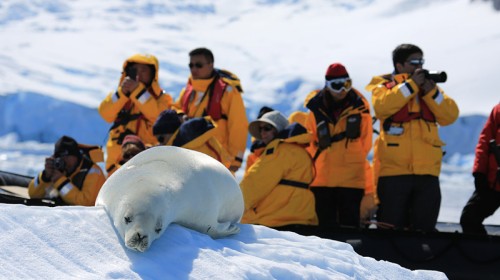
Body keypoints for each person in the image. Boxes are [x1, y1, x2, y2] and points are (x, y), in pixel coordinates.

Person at [365, 43, 459, 231]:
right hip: (394, 172)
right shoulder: (384, 85)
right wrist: (411, 85)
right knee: (390, 227)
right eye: (414, 62)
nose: (419, 66)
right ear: (399, 66)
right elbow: (382, 107)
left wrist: (430, 92)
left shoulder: (430, 88)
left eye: (421, 61)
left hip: (427, 172)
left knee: (424, 228)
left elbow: (450, 115)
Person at [172, 47, 248, 173]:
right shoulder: (188, 90)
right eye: (191, 65)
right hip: (187, 159)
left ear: (211, 65)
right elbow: (175, 110)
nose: (194, 69)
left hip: (217, 159)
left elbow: (238, 125)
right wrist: (180, 116)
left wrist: (236, 159)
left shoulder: (228, 91)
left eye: (199, 65)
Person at [240, 111, 318, 227]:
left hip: (276, 219)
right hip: (301, 218)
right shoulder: (299, 150)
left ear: (278, 130)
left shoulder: (279, 151)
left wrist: (230, 207)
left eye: (267, 128)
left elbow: (256, 183)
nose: (263, 133)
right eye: (260, 129)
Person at [98, 53, 172, 174]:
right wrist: (123, 93)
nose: (139, 73)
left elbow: (157, 116)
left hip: (148, 162)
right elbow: (105, 113)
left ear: (153, 74)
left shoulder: (163, 98)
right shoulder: (120, 94)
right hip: (116, 165)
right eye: (135, 69)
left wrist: (137, 92)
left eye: (144, 70)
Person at [28, 135, 106, 206]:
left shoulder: (93, 172)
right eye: (59, 157)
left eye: (66, 156)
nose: (63, 160)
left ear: (75, 156)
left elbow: (86, 203)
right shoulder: (57, 169)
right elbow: (32, 194)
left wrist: (60, 182)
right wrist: (45, 176)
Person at [460, 103, 500, 235]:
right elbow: (484, 142)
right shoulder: (498, 110)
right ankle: (484, 254)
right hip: (492, 182)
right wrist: (479, 173)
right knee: (469, 219)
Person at [152, 109, 232, 168]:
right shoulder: (183, 141)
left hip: (220, 183)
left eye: (161, 139)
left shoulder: (185, 144)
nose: (161, 144)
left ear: (170, 132)